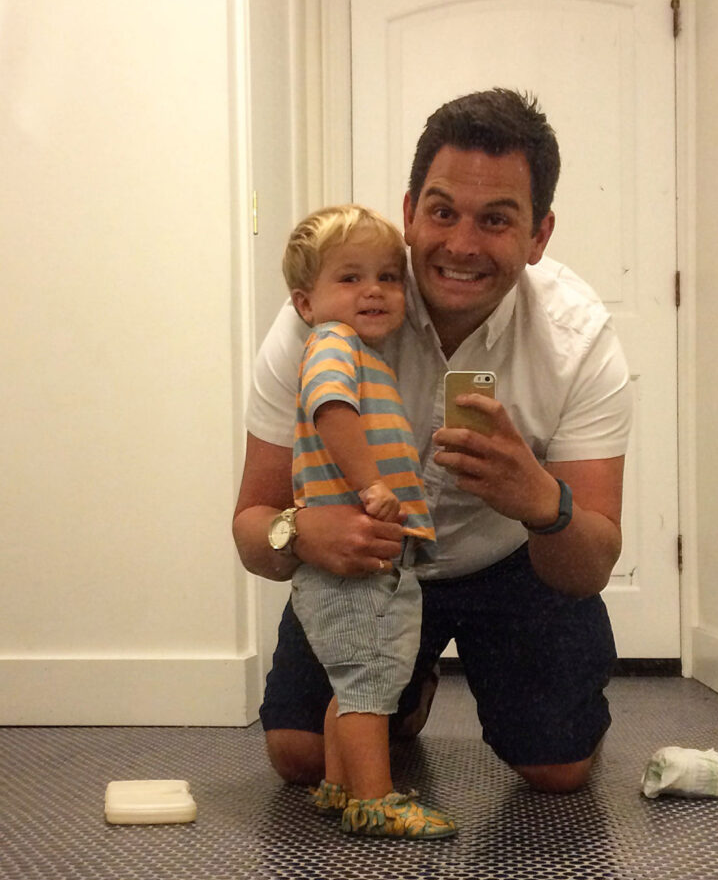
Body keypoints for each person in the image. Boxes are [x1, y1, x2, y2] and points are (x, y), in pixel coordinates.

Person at [232, 87, 632, 796]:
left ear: (539, 236)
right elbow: (250, 527)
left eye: (497, 219)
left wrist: (539, 501)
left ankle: (408, 682)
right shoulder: (322, 318)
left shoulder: (579, 341)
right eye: (443, 212)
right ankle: (407, 689)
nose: (462, 244)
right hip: (369, 563)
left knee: (557, 768)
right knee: (299, 755)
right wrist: (299, 531)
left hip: (512, 562)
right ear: (410, 212)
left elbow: (592, 563)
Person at [280, 204, 456, 839]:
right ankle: (374, 800)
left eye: (387, 276)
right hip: (357, 562)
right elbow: (331, 410)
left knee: (350, 678)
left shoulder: (359, 352)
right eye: (350, 278)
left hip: (364, 559)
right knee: (371, 683)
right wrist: (371, 484)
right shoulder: (333, 344)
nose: (374, 291)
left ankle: (339, 786)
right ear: (306, 303)